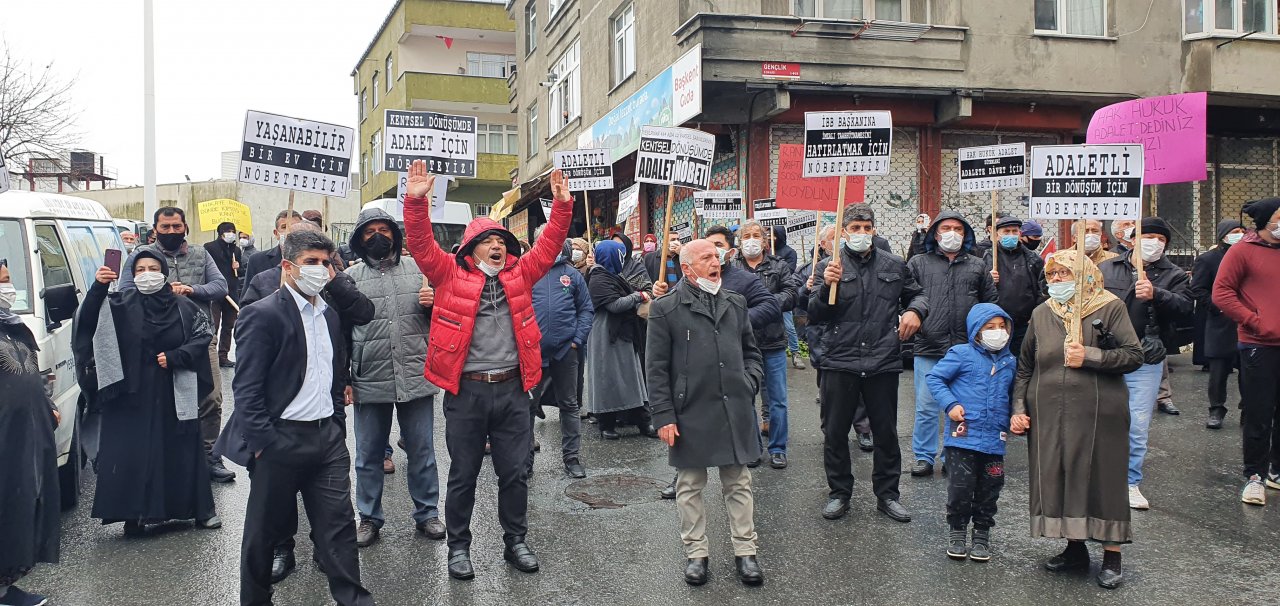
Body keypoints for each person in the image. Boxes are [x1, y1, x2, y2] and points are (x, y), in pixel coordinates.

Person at [403, 160, 573, 581]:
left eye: (502, 240)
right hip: (467, 393)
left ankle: (515, 541)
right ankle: (459, 548)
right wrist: (415, 201)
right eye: (488, 241)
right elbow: (421, 243)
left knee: (514, 473)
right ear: (470, 248)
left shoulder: (521, 273)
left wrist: (564, 207)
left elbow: (549, 245)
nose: (497, 246)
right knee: (463, 475)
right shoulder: (446, 274)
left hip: (514, 391)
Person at [215, 230, 373, 606]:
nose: (320, 270)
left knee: (339, 531)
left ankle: (353, 599)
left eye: (325, 263)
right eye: (311, 263)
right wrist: (264, 444)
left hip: (327, 442)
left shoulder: (330, 315)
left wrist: (336, 424)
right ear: (288, 267)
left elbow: (334, 374)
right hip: (279, 442)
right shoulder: (261, 314)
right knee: (263, 534)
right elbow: (247, 389)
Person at [1011, 250, 1143, 589]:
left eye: (1063, 274)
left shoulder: (1109, 306)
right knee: (1063, 473)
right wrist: (1019, 408)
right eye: (1051, 275)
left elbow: (1133, 355)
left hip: (1100, 411)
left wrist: (1091, 355)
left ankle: (1112, 554)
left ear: (1084, 276)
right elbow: (1025, 365)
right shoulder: (1042, 314)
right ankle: (1074, 548)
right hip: (1049, 412)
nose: (1055, 281)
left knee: (1102, 476)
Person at [648, 239, 765, 587]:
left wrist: (749, 383)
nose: (716, 262)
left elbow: (751, 352)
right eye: (707, 258)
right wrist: (664, 416)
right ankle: (696, 554)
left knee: (738, 482)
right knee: (690, 485)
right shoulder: (665, 308)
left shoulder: (736, 302)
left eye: (717, 256)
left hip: (734, 405)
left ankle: (746, 552)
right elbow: (655, 368)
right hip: (689, 409)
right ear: (687, 268)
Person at [78, 251, 220, 535]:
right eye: (140, 269)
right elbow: (89, 321)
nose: (146, 273)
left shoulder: (183, 306)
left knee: (180, 450)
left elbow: (203, 335)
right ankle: (135, 514)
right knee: (133, 452)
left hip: (173, 390)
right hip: (130, 394)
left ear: (164, 271)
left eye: (153, 268)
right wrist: (98, 287)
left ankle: (198, 511)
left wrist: (178, 355)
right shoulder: (119, 304)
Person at [810, 204, 925, 523]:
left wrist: (915, 311)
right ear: (843, 231)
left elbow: (917, 296)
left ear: (874, 230)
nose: (861, 233)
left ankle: (888, 494)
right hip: (839, 359)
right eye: (855, 228)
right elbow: (815, 313)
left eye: (867, 227)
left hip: (882, 359)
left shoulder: (894, 264)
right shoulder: (828, 267)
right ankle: (839, 493)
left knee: (886, 432)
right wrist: (824, 287)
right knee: (835, 432)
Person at [344, 207, 445, 548]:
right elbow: (341, 331)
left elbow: (445, 321)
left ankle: (427, 513)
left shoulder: (421, 272)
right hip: (369, 376)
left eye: (384, 230)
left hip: (416, 372)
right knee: (368, 454)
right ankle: (369, 517)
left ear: (395, 235)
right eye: (369, 230)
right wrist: (344, 376)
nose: (377, 236)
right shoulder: (350, 278)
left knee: (423, 451)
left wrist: (435, 304)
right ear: (359, 238)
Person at [119, 207, 233, 484]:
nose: (171, 232)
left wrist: (192, 290)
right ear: (155, 229)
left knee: (211, 398)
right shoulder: (140, 258)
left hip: (200, 337)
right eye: (165, 227)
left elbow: (221, 286)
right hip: (156, 341)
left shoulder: (200, 254)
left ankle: (209, 455)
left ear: (185, 227)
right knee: (163, 402)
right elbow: (124, 291)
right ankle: (169, 458)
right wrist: (159, 289)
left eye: (176, 226)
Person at [1098, 217, 1192, 510]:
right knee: (1100, 419)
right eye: (1147, 236)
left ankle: (1130, 481)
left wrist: (1157, 294)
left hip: (1145, 359)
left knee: (1137, 424)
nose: (1154, 242)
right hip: (1107, 355)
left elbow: (1187, 310)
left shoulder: (1175, 274)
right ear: (1132, 239)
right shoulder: (1107, 268)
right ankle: (1097, 478)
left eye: (1161, 239)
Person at [906, 211, 998, 477]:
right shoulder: (917, 263)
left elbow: (989, 304)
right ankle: (923, 457)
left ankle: (952, 454)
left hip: (965, 350)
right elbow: (907, 299)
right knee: (926, 406)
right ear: (935, 233)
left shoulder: (978, 265)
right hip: (928, 346)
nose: (952, 233)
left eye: (958, 228)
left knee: (960, 407)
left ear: (965, 233)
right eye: (946, 227)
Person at [925, 303, 1016, 562]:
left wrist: (1015, 419)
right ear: (976, 330)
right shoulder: (961, 354)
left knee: (990, 488)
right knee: (960, 488)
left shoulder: (1010, 361)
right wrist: (951, 405)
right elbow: (935, 378)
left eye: (1002, 327)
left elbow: (1013, 395)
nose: (997, 332)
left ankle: (982, 533)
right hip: (963, 438)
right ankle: (957, 530)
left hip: (994, 440)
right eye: (990, 327)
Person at [1212, 197, 1280, 505]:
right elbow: (1222, 293)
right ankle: (1255, 475)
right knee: (1258, 411)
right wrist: (1254, 321)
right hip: (1259, 344)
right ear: (1266, 220)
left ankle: (1276, 471)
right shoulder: (1242, 251)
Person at [0, 260, 60, 606]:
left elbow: (31, 373)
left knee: (20, 504)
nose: (7, 289)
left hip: (25, 433)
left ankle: (6, 585)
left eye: (8, 280)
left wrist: (46, 402)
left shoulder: (11, 325)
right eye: (2, 282)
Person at [733, 220, 801, 469]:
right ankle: (752, 448)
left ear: (764, 240)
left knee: (777, 398)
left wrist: (765, 305)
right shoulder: (731, 267)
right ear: (740, 241)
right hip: (741, 343)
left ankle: (778, 448)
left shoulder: (778, 266)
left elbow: (792, 294)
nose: (751, 240)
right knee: (744, 397)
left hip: (772, 341)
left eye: (756, 236)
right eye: (746, 236)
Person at [799, 226, 874, 450]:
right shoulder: (810, 269)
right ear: (823, 244)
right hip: (823, 337)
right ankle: (830, 431)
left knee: (859, 384)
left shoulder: (859, 265)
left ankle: (863, 429)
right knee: (829, 390)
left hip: (852, 335)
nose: (842, 241)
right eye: (835, 238)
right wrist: (807, 288)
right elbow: (802, 305)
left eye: (843, 237)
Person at [530, 229, 594, 478]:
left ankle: (572, 458)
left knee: (569, 405)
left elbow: (586, 310)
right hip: (533, 354)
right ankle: (525, 460)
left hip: (566, 353)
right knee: (527, 407)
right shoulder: (528, 272)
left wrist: (577, 341)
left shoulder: (572, 275)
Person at [586, 239, 656, 439]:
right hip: (606, 336)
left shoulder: (611, 275)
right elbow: (614, 305)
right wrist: (639, 296)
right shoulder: (598, 278)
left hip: (621, 333)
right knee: (607, 379)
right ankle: (606, 425)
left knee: (631, 378)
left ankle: (643, 421)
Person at [1191, 220, 1244, 429]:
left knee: (1249, 372)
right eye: (1234, 232)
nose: (1239, 235)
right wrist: (1219, 307)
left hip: (1247, 323)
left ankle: (1247, 409)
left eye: (1242, 231)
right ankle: (1216, 409)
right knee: (1218, 372)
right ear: (1223, 235)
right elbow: (1198, 288)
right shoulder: (1208, 259)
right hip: (1220, 324)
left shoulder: (1249, 254)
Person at [984, 215, 1046, 355]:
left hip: (1025, 324)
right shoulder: (988, 257)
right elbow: (979, 288)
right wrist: (988, 279)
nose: (1011, 235)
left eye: (1014, 231)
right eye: (1006, 232)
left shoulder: (1033, 259)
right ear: (997, 235)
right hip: (996, 324)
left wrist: (1035, 315)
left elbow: (1043, 289)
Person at [204, 221, 243, 368]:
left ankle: (223, 356)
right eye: (228, 231)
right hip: (215, 292)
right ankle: (210, 355)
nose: (231, 234)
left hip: (231, 292)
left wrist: (237, 268)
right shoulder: (209, 248)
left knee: (228, 326)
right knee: (214, 324)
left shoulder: (236, 251)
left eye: (233, 231)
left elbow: (240, 273)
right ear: (220, 233)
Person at [241, 210, 303, 299]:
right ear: (276, 233)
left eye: (294, 227)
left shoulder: (312, 261)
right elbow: (246, 302)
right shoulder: (257, 261)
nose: (289, 232)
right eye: (284, 227)